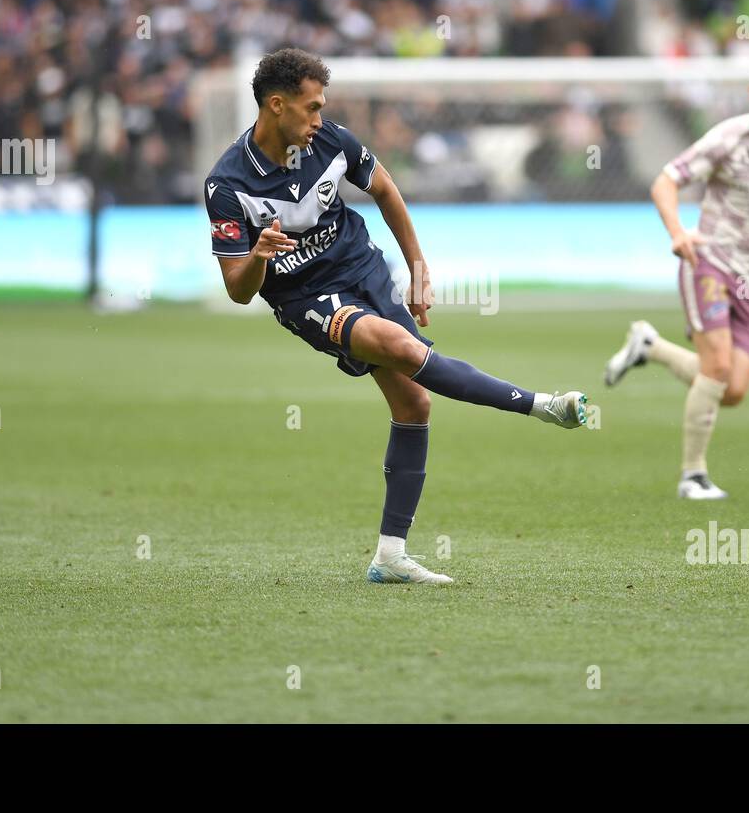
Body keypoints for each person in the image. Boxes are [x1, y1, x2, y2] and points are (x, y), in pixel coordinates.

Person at [205, 49, 587, 584]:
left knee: (414, 401)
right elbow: (237, 290)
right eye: (311, 108)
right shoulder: (227, 185)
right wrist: (258, 259)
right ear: (276, 106)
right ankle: (542, 405)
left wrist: (418, 267)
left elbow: (383, 187)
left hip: (363, 270)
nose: (319, 119)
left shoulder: (331, 142)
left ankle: (390, 556)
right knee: (405, 351)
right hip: (307, 299)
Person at [604, 55, 749, 500]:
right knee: (717, 367)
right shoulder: (730, 136)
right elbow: (665, 181)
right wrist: (678, 233)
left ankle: (650, 347)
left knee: (733, 390)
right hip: (709, 262)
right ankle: (692, 476)